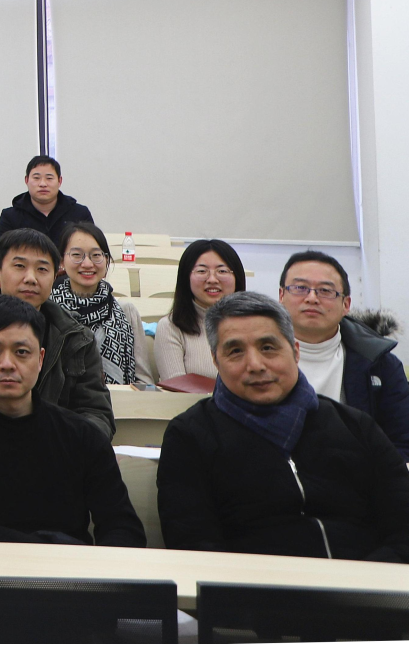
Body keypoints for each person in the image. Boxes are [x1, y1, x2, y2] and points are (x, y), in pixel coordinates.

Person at [157, 293, 406, 561]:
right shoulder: (190, 436)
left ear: (295, 352)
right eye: (235, 351)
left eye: (268, 347)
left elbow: (403, 524)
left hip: (369, 580)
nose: (255, 365)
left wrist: (367, 580)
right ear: (216, 361)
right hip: (253, 585)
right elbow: (194, 544)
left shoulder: (355, 426)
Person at [0, 295, 145, 546]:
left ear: (41, 359)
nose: (7, 364)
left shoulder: (81, 436)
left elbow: (122, 526)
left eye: (22, 352)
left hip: (73, 565)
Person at [0, 228, 114, 437]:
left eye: (42, 269)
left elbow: (96, 414)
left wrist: (51, 443)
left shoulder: (77, 338)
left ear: (55, 276)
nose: (30, 278)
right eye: (19, 266)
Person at [277, 251, 408, 459]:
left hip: (357, 474)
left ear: (346, 305)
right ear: (281, 296)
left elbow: (402, 442)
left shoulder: (380, 364)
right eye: (300, 288)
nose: (312, 298)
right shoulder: (253, 359)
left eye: (325, 291)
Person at [50, 224, 153, 389]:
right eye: (77, 255)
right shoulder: (49, 310)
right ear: (62, 261)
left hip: (119, 402)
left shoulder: (126, 312)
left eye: (96, 255)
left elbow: (143, 382)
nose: (87, 263)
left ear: (106, 261)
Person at [155, 240, 247, 382]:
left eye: (222, 271)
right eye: (202, 271)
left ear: (237, 277)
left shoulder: (252, 325)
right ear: (186, 278)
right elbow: (177, 389)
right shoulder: (171, 327)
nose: (212, 279)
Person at [0, 154, 94, 242]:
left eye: (49, 178)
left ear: (59, 181)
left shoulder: (80, 214)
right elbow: (2, 253)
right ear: (26, 180)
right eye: (36, 178)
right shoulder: (10, 216)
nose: (43, 184)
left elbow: (92, 249)